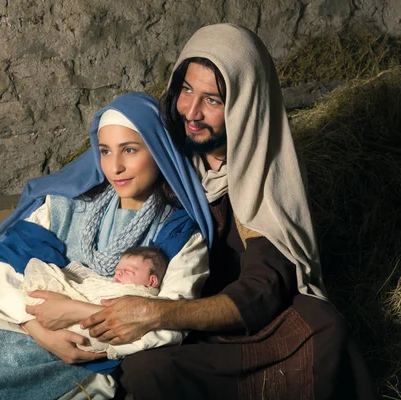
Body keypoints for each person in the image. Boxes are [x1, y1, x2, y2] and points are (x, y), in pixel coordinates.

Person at [76, 24, 376, 399]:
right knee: (142, 368)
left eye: (213, 100)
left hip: (225, 313)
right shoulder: (165, 145)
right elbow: (74, 189)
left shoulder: (259, 177)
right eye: (186, 90)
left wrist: (157, 314)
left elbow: (263, 290)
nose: (192, 112)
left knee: (324, 329)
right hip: (164, 294)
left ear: (244, 106)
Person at [0, 92, 214, 400]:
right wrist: (33, 326)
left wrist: (67, 317)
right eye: (106, 151)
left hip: (61, 358)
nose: (115, 167)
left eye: (130, 150)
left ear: (157, 149)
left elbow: (170, 317)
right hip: (9, 319)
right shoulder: (68, 206)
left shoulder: (176, 232)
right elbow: (7, 268)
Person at [0, 246, 171, 359]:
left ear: (151, 280)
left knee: (16, 282)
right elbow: (91, 283)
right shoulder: (109, 282)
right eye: (118, 271)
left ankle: (0, 304)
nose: (119, 275)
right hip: (54, 318)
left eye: (129, 272)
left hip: (86, 332)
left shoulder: (144, 299)